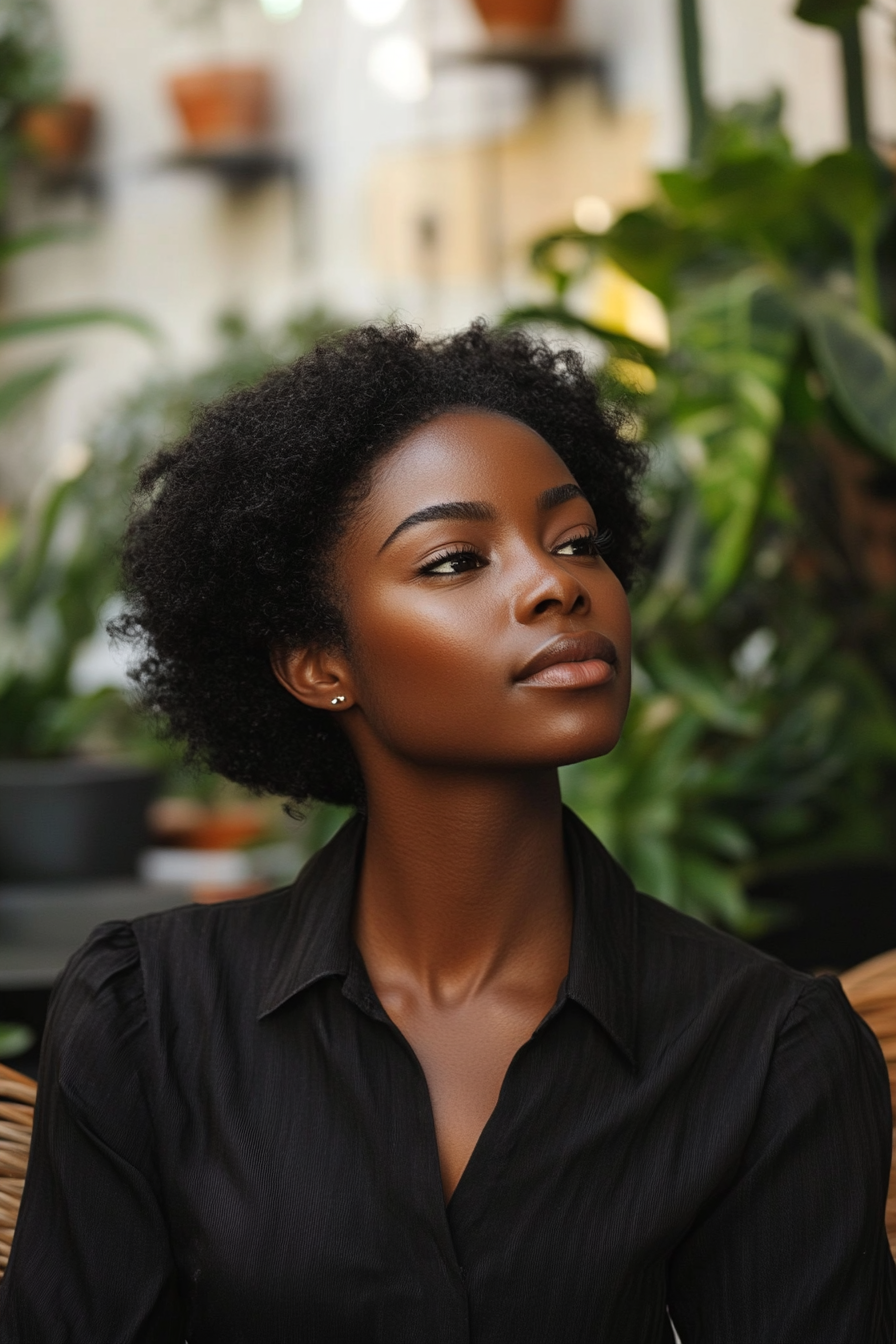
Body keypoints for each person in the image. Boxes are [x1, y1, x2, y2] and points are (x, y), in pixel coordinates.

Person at [1, 323, 893, 1342]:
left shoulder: (763, 1054)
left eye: (575, 542)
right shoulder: (145, 1020)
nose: (557, 584)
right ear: (317, 664)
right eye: (456, 559)